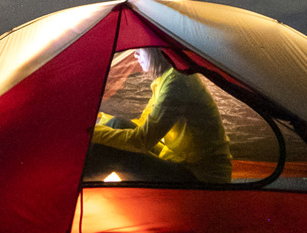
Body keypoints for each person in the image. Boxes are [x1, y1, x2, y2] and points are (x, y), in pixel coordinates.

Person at [86, 47, 232, 184]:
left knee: (115, 150)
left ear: (156, 51)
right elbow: (143, 124)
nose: (135, 54)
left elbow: (142, 140)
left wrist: (92, 132)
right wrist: (98, 123)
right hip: (179, 161)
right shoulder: (168, 78)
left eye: (140, 49)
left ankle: (75, 187)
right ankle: (77, 184)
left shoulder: (177, 84)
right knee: (117, 124)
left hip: (202, 178)